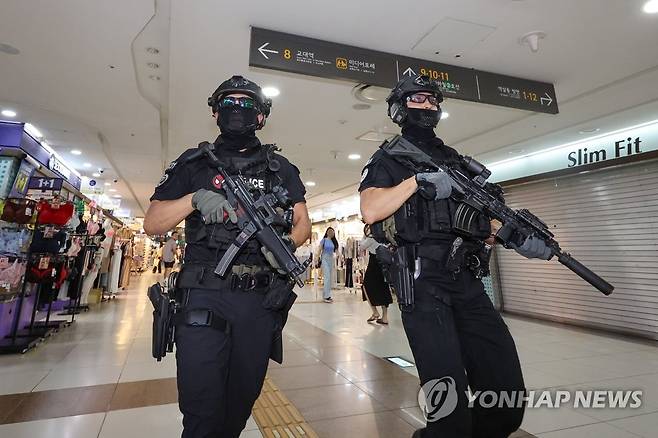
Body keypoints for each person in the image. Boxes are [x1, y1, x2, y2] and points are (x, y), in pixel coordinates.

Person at [359, 74, 551, 438]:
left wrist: (517, 237)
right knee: (450, 413)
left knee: (506, 402)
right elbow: (371, 210)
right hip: (422, 282)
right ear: (399, 108)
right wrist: (417, 182)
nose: (428, 107)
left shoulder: (457, 161)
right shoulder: (389, 158)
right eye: (418, 100)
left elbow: (484, 218)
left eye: (433, 101)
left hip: (466, 279)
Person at [143, 75, 311, 438]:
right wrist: (194, 198)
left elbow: (302, 224)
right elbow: (153, 223)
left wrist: (286, 246)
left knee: (239, 406)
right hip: (205, 293)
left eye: (248, 104)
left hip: (260, 301)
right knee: (202, 411)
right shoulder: (194, 164)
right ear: (216, 112)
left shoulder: (281, 168)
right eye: (230, 103)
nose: (239, 110)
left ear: (262, 116)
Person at [359, 224, 392, 324]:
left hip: (374, 263)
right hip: (383, 263)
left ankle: (375, 312)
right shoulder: (384, 236)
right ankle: (385, 317)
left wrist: (364, 236)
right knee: (383, 287)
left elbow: (361, 246)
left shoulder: (371, 238)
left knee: (366, 286)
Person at [316, 227, 338, 303]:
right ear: (327, 232)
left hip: (331, 259)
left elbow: (336, 251)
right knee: (327, 277)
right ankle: (326, 296)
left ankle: (326, 295)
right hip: (324, 259)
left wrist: (340, 257)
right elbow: (319, 249)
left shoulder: (333, 241)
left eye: (332, 232)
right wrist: (316, 258)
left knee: (329, 278)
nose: (331, 233)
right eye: (330, 231)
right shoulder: (324, 240)